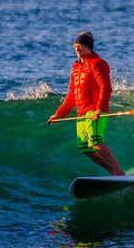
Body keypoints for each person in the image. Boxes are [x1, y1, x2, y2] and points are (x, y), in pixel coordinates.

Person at [47, 31, 125, 176]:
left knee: (95, 141)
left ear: (89, 48)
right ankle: (112, 172)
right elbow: (71, 95)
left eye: (81, 46)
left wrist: (99, 109)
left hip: (94, 110)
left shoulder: (98, 64)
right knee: (86, 148)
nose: (77, 49)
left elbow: (105, 87)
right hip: (81, 112)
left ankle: (118, 171)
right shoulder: (75, 67)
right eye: (75, 46)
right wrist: (59, 114)